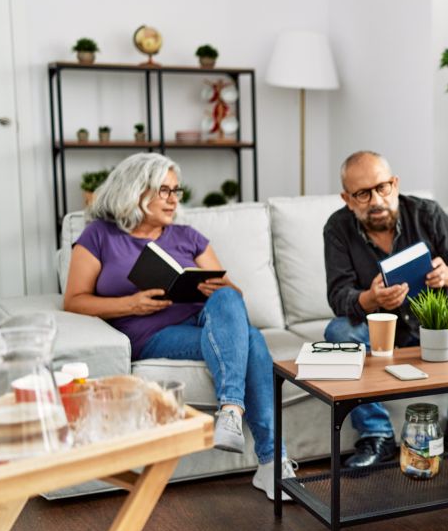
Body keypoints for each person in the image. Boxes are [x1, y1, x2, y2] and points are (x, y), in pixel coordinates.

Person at [63, 152, 294, 500]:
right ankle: (272, 462)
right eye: (164, 191)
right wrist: (131, 304)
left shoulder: (188, 236)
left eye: (177, 191)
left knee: (230, 302)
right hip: (151, 333)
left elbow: (234, 294)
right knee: (253, 339)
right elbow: (75, 300)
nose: (174, 200)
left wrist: (211, 288)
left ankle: (231, 412)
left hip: (204, 318)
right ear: (136, 191)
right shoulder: (100, 236)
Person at [324, 151, 448, 467]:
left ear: (395, 184)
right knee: (338, 332)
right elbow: (339, 297)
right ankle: (378, 435)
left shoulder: (427, 213)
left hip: (434, 323)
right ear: (347, 199)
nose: (376, 200)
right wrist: (372, 299)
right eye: (362, 194)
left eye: (382, 188)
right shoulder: (337, 228)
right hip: (379, 327)